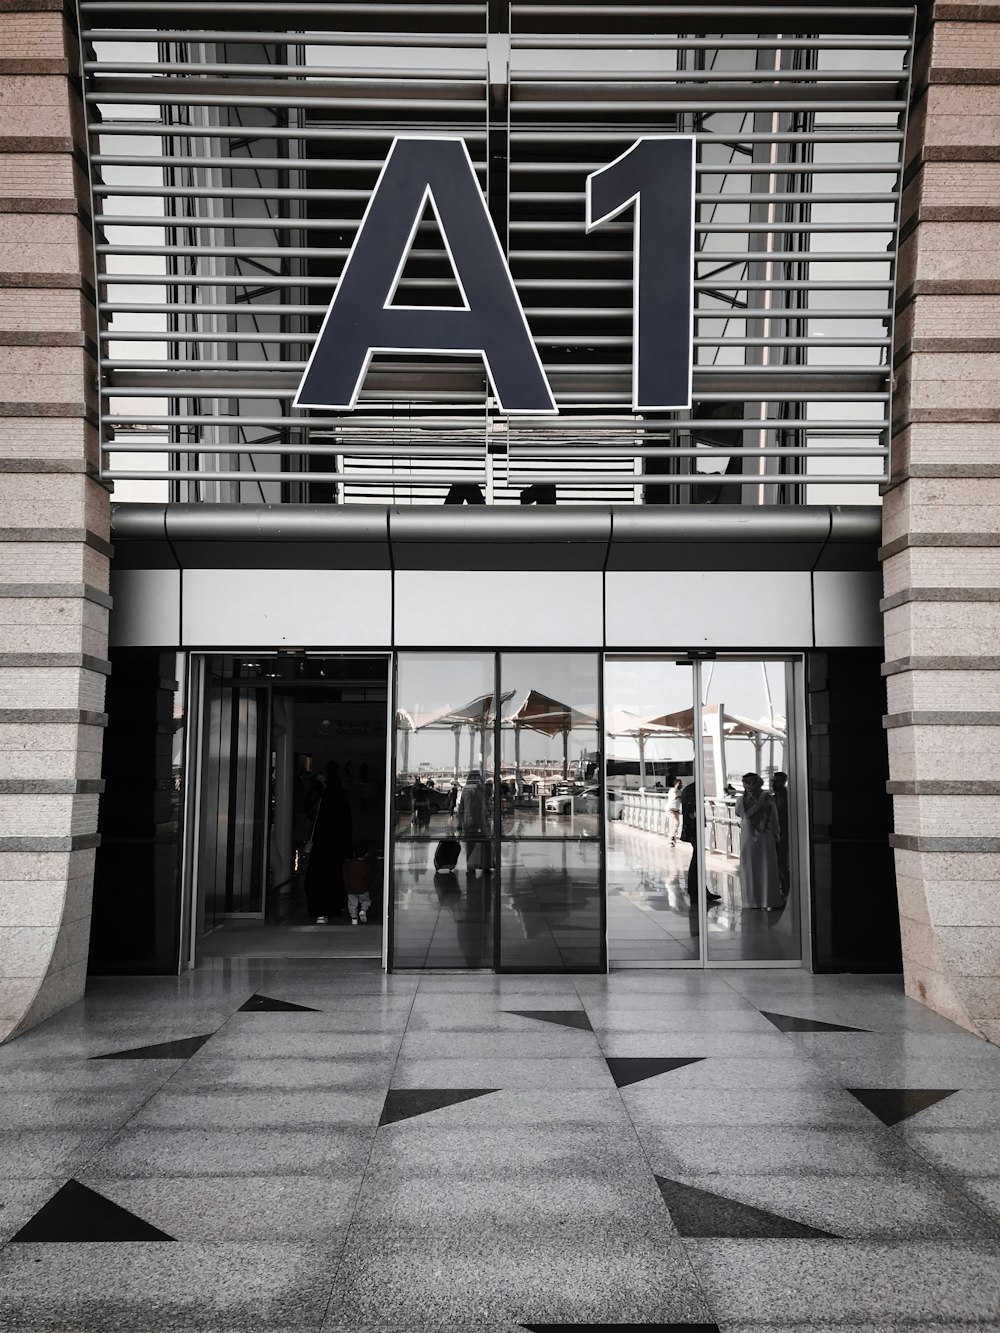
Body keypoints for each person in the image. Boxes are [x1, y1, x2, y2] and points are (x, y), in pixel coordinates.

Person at [305, 762, 353, 924]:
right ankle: (334, 905)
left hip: (324, 844)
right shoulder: (338, 795)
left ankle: (322, 908)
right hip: (335, 844)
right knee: (333, 874)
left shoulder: (326, 796)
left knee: (320, 876)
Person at [734, 772, 782, 911]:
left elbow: (738, 813)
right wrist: (777, 835)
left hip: (748, 837)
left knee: (749, 867)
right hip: (764, 835)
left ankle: (751, 900)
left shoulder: (740, 800)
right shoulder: (766, 798)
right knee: (766, 867)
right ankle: (768, 899)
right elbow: (774, 817)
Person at [455, 769, 492, 874]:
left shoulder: (466, 790)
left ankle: (471, 866)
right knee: (484, 844)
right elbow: (488, 803)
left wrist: (460, 825)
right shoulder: (482, 789)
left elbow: (461, 809)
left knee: (471, 846)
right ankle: (485, 865)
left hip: (469, 822)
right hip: (481, 821)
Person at [344, 840, 372, 926]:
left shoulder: (351, 864)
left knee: (352, 904)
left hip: (351, 888)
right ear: (366, 854)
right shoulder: (365, 865)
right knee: (365, 901)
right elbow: (367, 876)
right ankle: (363, 910)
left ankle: (354, 918)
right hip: (363, 888)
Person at [772, 771, 790, 901]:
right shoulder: (775, 797)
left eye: (776, 781)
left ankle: (787, 890)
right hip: (777, 834)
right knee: (778, 864)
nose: (773, 784)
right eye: (773, 781)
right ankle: (783, 889)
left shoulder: (786, 797)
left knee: (782, 863)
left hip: (784, 834)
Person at [666, 778, 683, 845]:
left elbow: (680, 800)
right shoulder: (672, 790)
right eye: (679, 783)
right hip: (670, 810)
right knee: (676, 823)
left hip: (676, 810)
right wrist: (681, 795)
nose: (681, 785)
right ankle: (671, 838)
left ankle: (672, 840)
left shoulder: (680, 791)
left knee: (674, 825)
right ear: (676, 784)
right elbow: (675, 797)